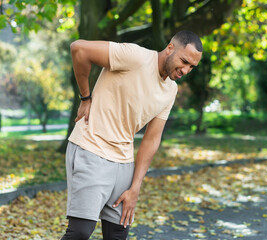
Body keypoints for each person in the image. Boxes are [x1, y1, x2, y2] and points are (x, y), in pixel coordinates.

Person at [61, 30, 203, 240]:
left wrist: (135, 187)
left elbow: (152, 139)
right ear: (170, 48)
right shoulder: (135, 56)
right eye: (184, 61)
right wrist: (85, 97)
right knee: (80, 232)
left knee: (118, 234)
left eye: (191, 66)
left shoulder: (170, 90)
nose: (185, 70)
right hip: (91, 149)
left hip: (123, 163)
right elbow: (79, 48)